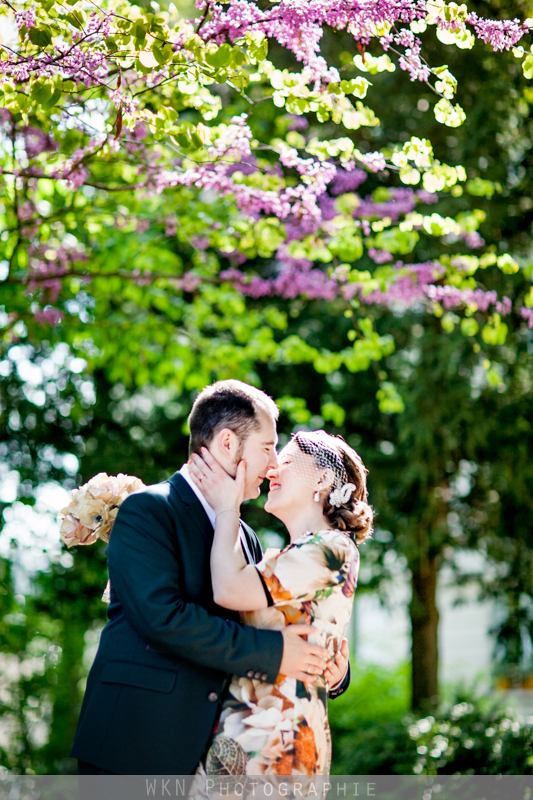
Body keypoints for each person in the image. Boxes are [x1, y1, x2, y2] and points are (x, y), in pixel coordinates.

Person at [70, 380, 349, 775]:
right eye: (268, 448)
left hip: (211, 761)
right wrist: (275, 653)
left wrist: (333, 667)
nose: (273, 466)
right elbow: (163, 619)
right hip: (134, 743)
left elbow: (282, 620)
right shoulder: (147, 510)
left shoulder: (246, 538)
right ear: (227, 444)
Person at [188, 429, 373, 775]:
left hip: (278, 748)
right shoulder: (287, 556)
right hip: (242, 739)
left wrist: (228, 507)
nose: (272, 469)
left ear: (322, 477)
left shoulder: (332, 549)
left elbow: (228, 589)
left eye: (285, 460)